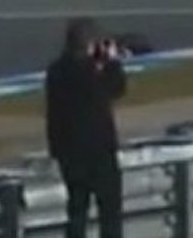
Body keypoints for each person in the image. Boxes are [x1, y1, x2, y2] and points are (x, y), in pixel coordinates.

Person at [46, 17, 127, 238]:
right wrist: (111, 62)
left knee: (77, 211)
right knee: (110, 213)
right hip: (99, 153)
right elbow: (117, 88)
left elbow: (53, 115)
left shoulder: (56, 71)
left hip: (69, 154)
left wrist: (56, 151)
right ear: (91, 44)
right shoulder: (92, 73)